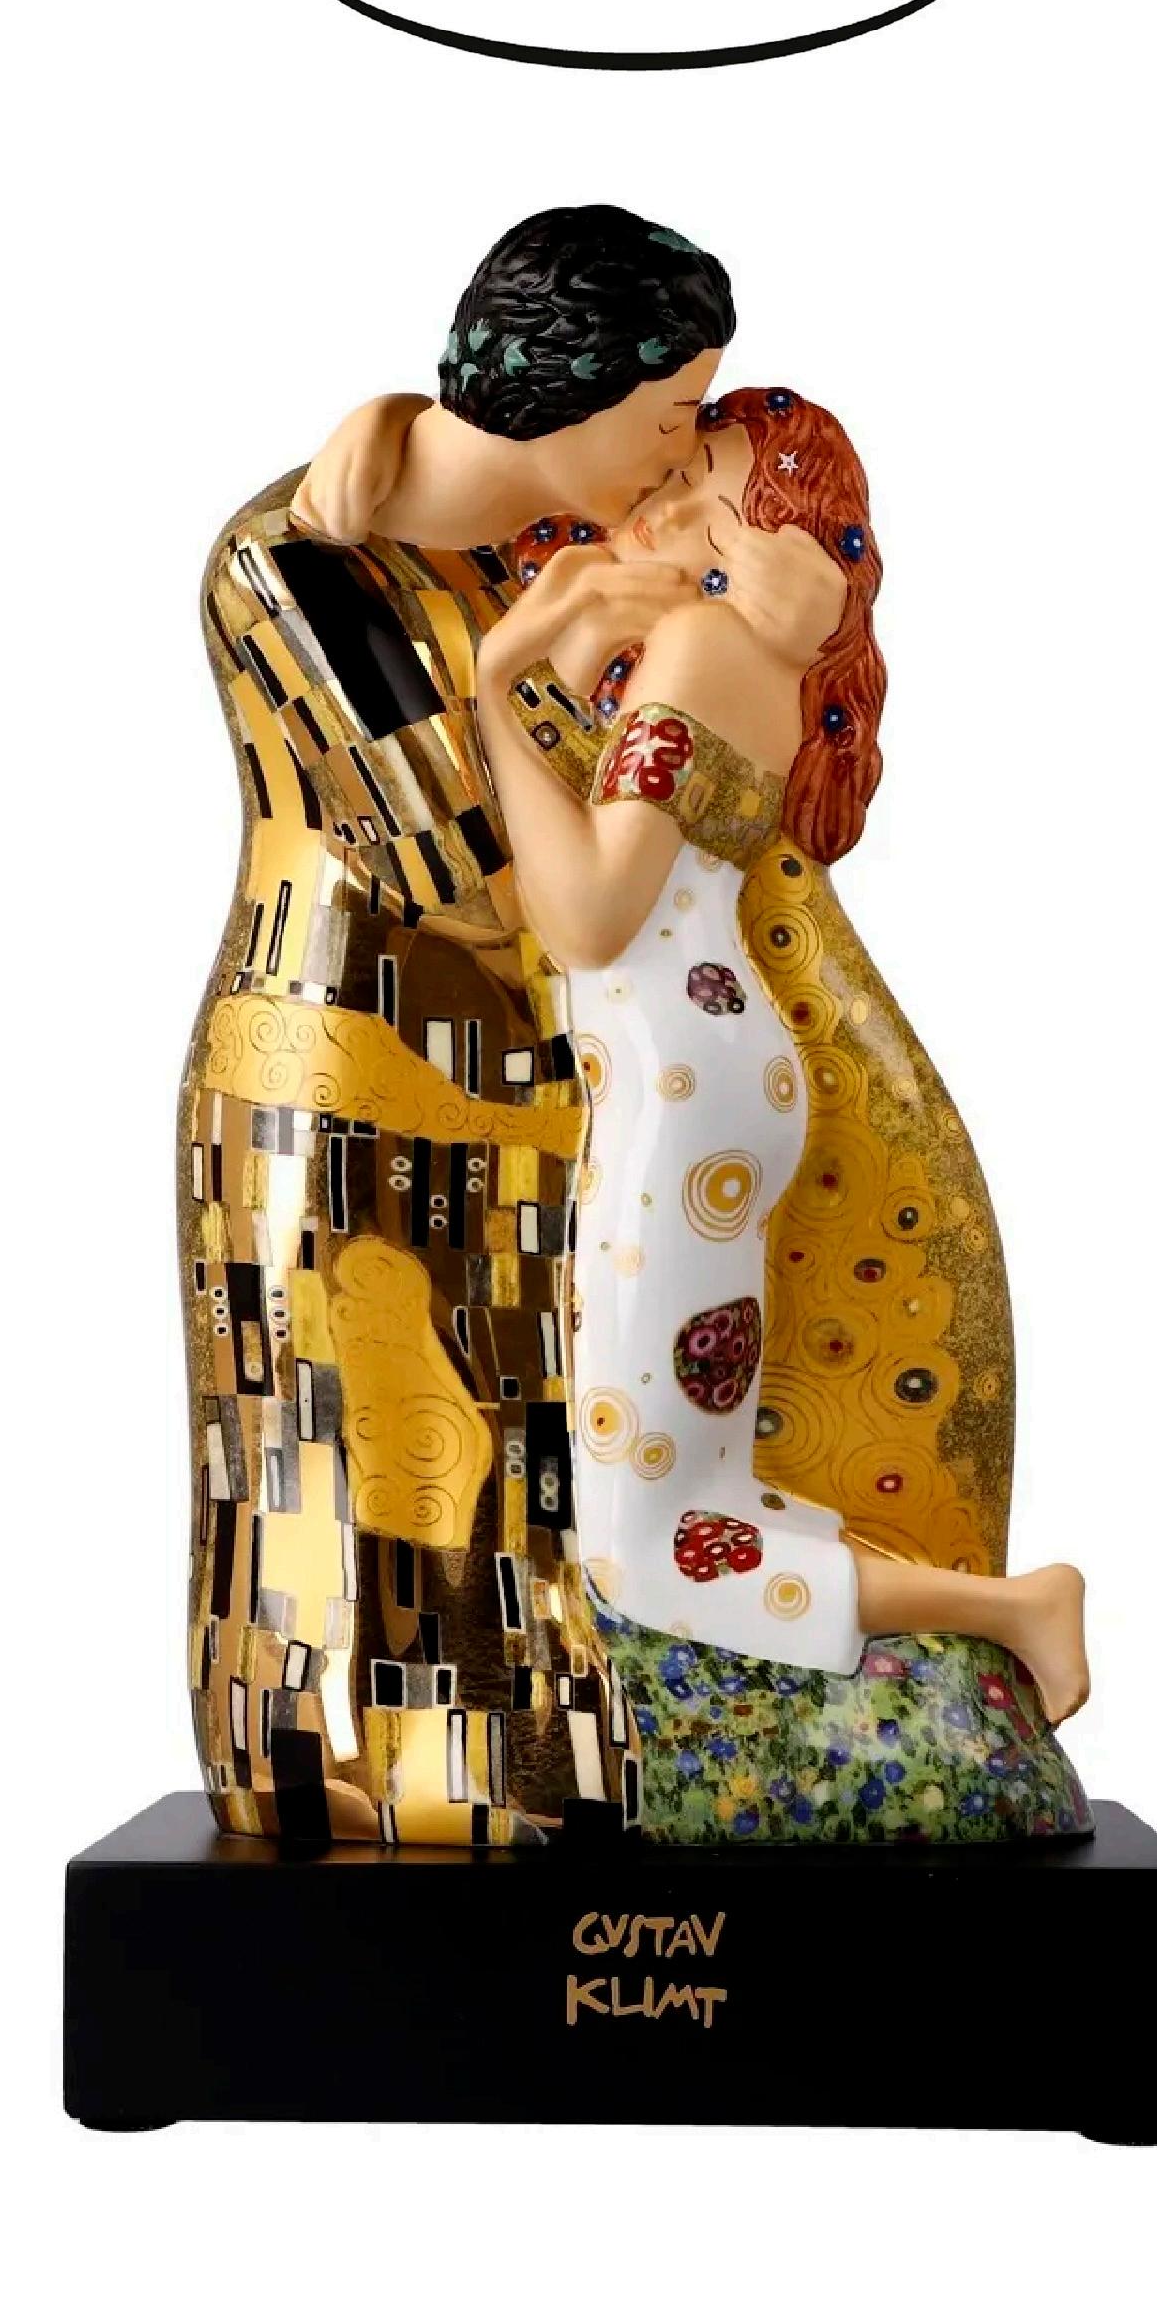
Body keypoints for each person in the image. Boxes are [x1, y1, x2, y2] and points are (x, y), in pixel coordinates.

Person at [181, 206, 733, 1850]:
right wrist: (544, 677)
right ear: (572, 390)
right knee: (334, 1453)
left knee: (518, 1456)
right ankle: (324, 1783)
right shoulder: (296, 559)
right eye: (672, 413)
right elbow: (465, 871)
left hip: (517, 1091)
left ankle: (521, 1776)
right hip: (333, 1082)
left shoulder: (520, 565)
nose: (684, 448)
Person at [468, 386, 1091, 1845]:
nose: (661, 508)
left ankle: (1011, 1609)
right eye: (666, 478)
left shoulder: (701, 652)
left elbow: (589, 912)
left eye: (707, 499)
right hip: (690, 1081)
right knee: (685, 1479)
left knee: (639, 1543)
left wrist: (493, 690)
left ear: (780, 547)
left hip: (678, 1095)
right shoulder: (688, 646)